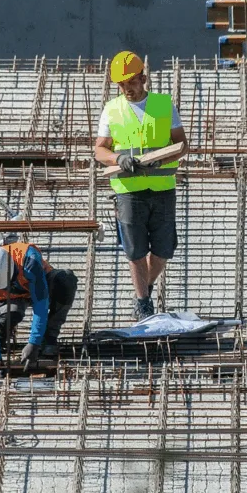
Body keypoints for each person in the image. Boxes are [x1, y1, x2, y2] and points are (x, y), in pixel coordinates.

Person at [93, 50, 188, 321]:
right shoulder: (111, 110)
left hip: (161, 188)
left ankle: (144, 284)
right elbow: (99, 150)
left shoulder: (163, 104)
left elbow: (182, 144)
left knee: (163, 249)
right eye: (121, 85)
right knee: (135, 249)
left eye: (131, 83)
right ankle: (143, 301)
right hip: (128, 190)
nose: (126, 90)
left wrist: (164, 158)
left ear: (143, 78)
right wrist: (117, 158)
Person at [0, 243, 77, 375]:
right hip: (13, 300)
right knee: (10, 313)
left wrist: (34, 343)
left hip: (39, 286)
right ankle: (1, 335)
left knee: (66, 280)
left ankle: (50, 337)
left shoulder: (29, 261)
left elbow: (41, 305)